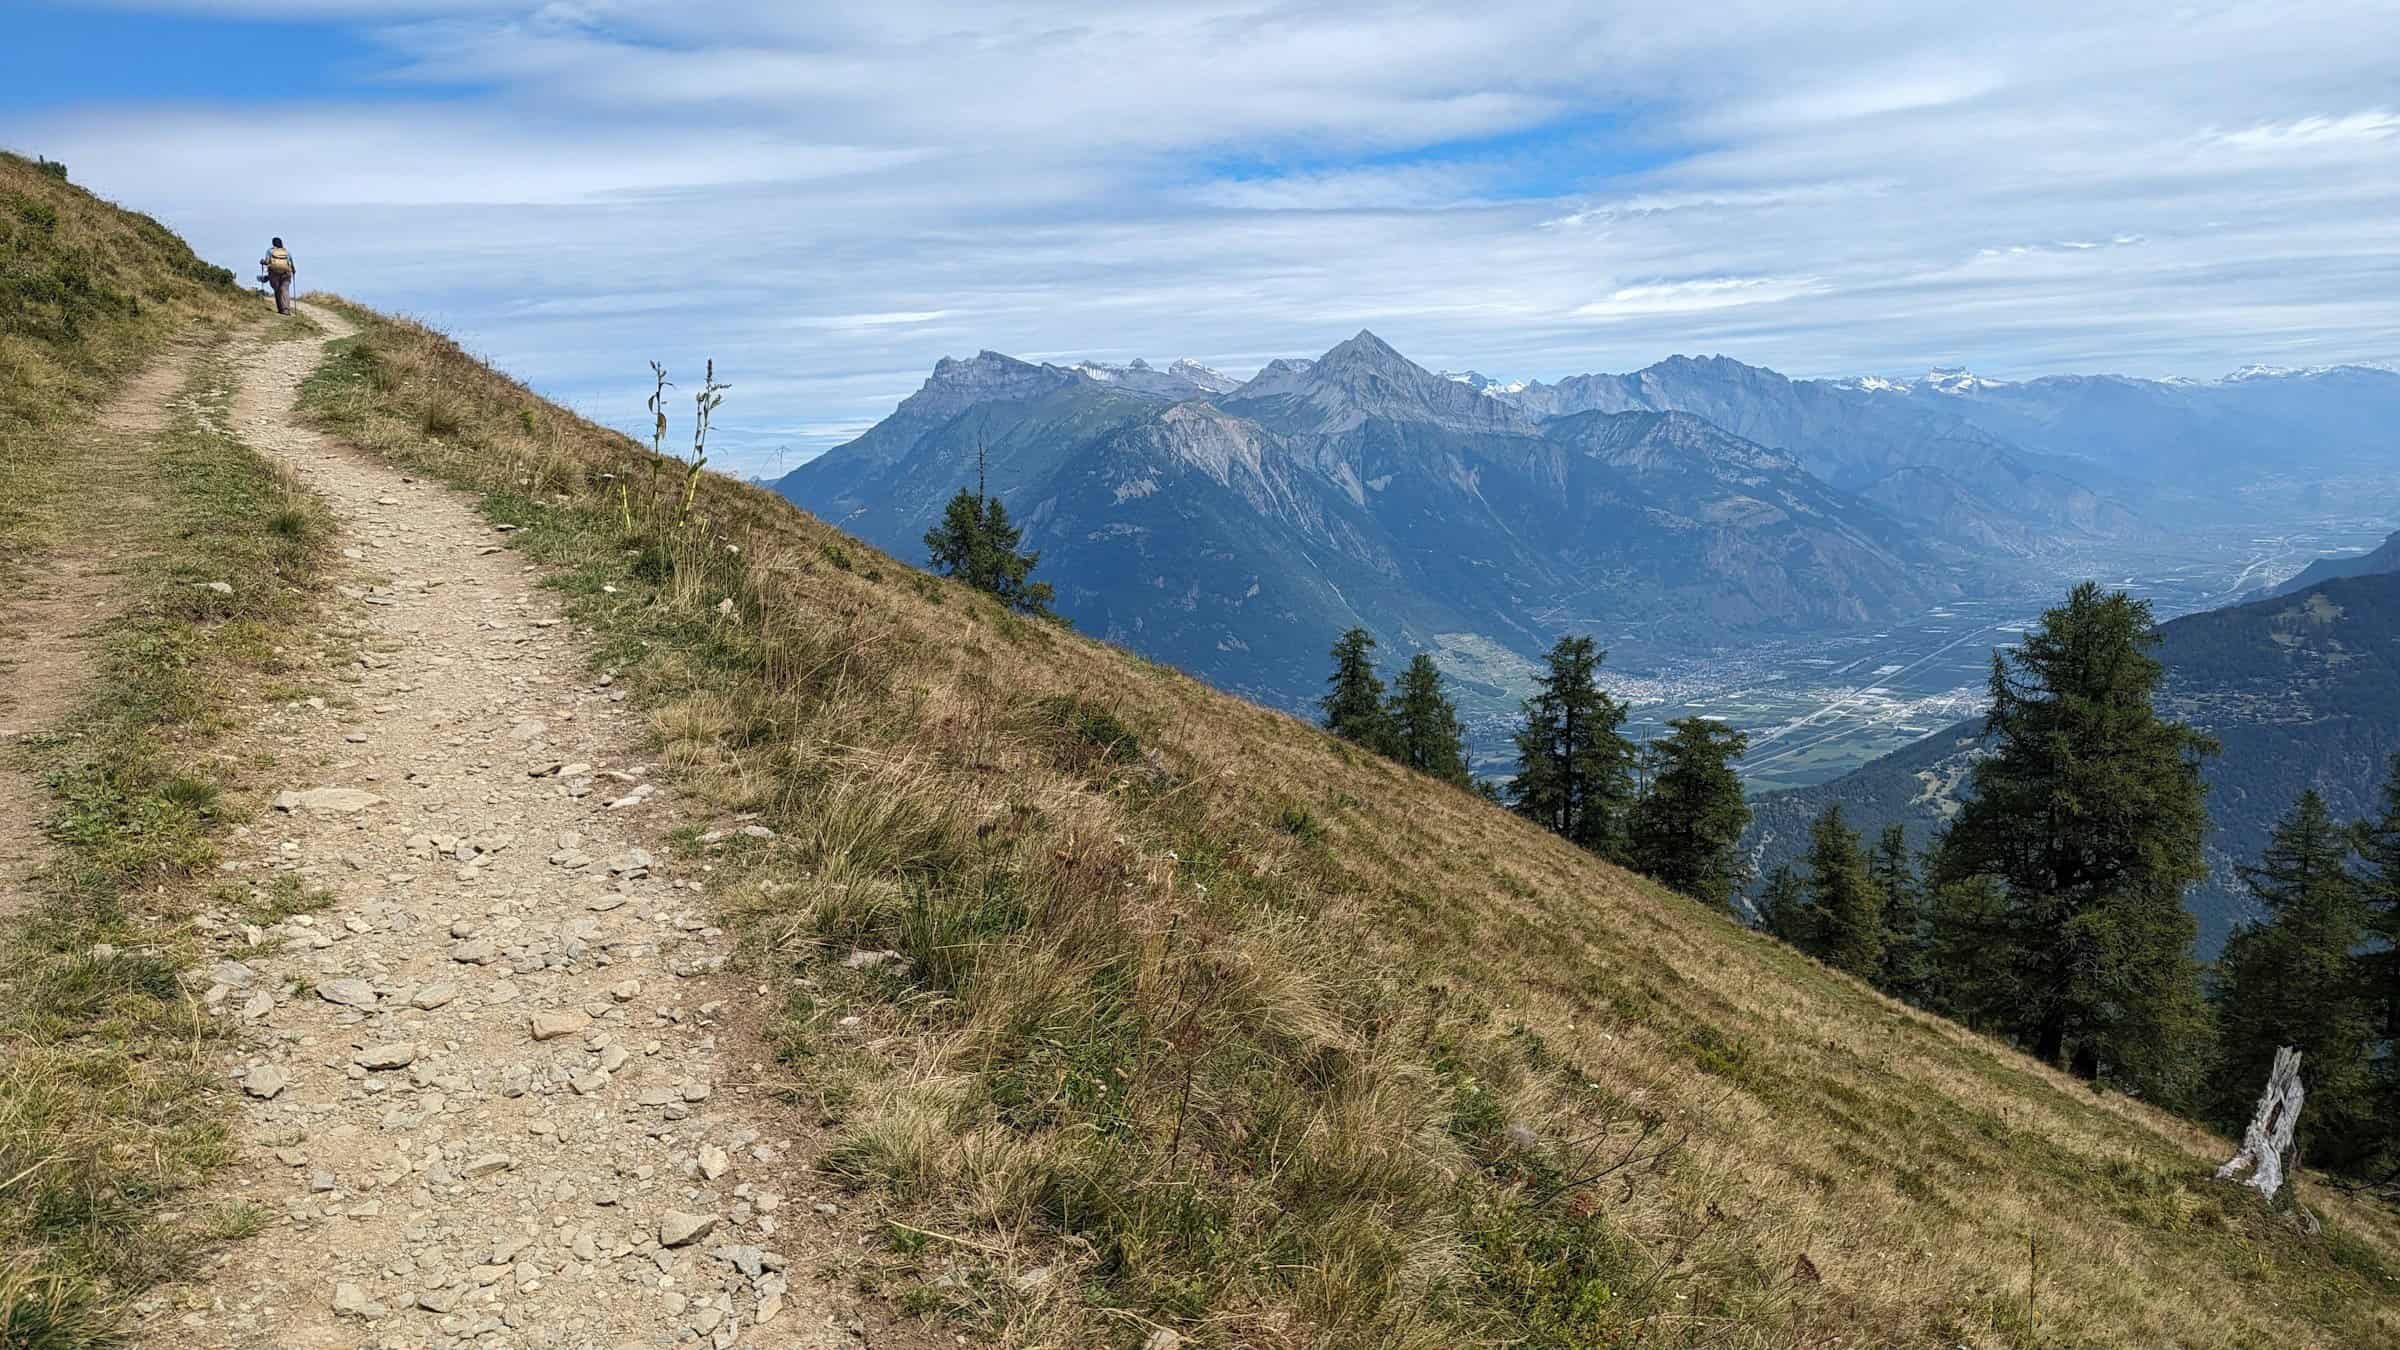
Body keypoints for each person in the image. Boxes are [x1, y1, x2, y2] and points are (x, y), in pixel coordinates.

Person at [261, 237, 295, 315]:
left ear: (273, 243)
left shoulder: (270, 251)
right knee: (285, 290)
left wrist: (262, 262)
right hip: (286, 273)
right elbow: (291, 263)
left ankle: (280, 309)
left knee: (277, 290)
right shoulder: (286, 251)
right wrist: (293, 270)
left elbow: (266, 261)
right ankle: (286, 310)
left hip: (274, 273)